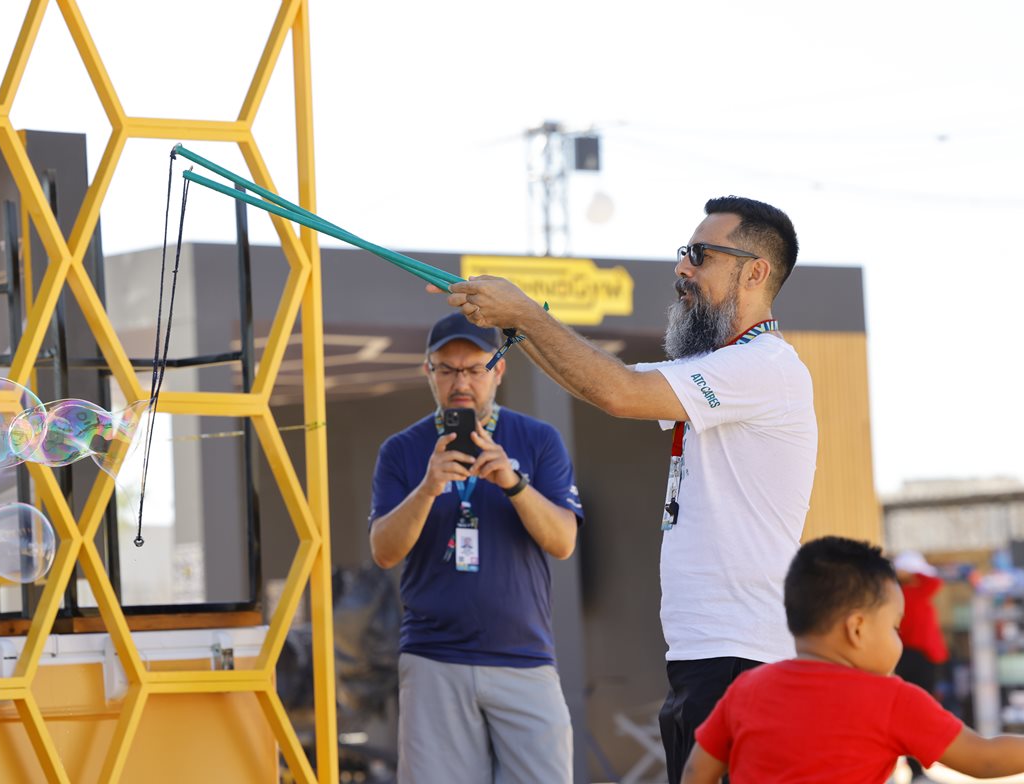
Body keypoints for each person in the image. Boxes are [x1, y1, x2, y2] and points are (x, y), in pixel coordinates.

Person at [438, 196, 817, 783]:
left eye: (700, 255)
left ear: (755, 272)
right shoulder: (726, 367)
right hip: (708, 654)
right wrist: (515, 321)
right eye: (684, 252)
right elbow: (596, 382)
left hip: (744, 656)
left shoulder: (764, 367)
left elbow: (618, 392)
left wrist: (527, 315)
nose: (682, 268)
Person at [368, 312, 584, 784]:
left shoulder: (538, 440)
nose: (461, 382)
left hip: (523, 655)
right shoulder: (402, 450)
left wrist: (513, 483)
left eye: (473, 368)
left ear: (498, 369)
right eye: (447, 369)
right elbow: (383, 551)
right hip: (434, 657)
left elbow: (563, 542)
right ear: (428, 372)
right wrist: (428, 487)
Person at [681, 536, 1024, 783]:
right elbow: (985, 759)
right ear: (857, 629)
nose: (897, 639)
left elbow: (698, 770)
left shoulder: (746, 689)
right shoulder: (893, 700)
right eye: (895, 627)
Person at [894, 549, 951, 780]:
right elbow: (935, 582)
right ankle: (917, 770)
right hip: (915, 659)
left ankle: (918, 769)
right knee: (917, 716)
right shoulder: (908, 594)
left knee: (919, 716)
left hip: (918, 659)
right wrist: (908, 571)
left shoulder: (906, 593)